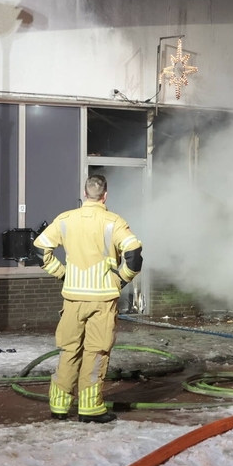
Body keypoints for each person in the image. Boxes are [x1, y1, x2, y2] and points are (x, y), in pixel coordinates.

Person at [33, 175, 143, 423]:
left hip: (72, 298)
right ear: (105, 195)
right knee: (96, 351)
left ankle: (59, 405)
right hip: (102, 299)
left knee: (69, 350)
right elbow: (134, 255)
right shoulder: (113, 222)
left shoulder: (65, 219)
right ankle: (90, 407)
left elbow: (40, 248)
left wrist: (62, 273)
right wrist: (122, 280)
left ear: (84, 194)